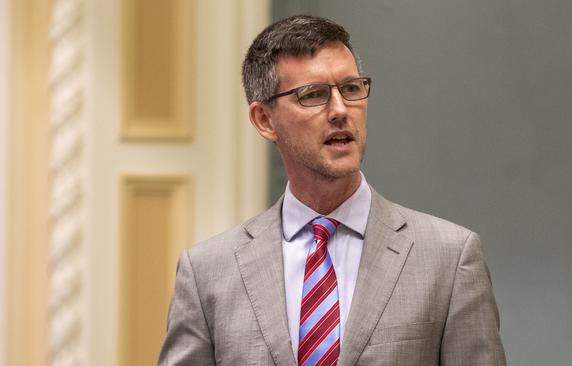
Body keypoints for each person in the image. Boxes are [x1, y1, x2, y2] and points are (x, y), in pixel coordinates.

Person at [158, 15, 506, 366]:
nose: (340, 110)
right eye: (314, 95)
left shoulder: (449, 258)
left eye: (351, 89)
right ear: (265, 120)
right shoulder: (207, 273)